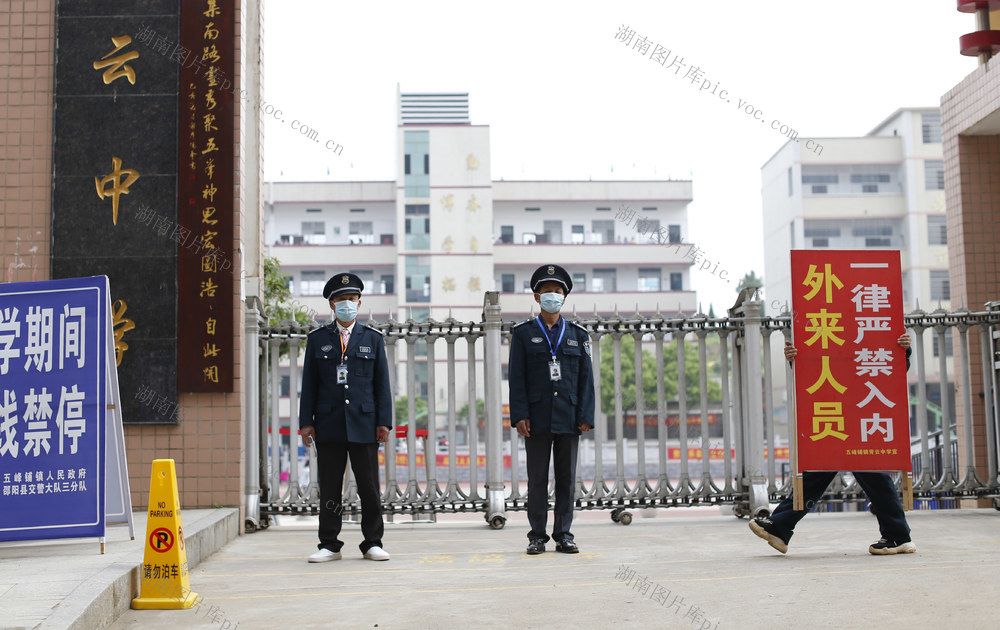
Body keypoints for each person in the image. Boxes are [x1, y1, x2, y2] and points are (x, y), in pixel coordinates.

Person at [749, 333, 916, 556]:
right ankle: (781, 525)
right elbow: (820, 369)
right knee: (821, 467)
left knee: (870, 472)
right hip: (835, 410)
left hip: (864, 412)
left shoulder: (866, 326)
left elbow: (888, 371)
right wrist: (796, 360)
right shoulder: (831, 325)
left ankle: (899, 535)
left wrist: (902, 350)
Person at [299, 272, 392, 562]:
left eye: (351, 299)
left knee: (369, 487)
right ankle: (328, 544)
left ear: (360, 302)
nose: (347, 304)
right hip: (328, 423)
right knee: (329, 487)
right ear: (331, 305)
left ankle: (373, 542)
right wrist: (306, 422)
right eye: (341, 300)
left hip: (364, 423)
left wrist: (384, 422)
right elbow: (309, 384)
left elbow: (382, 384)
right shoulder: (317, 340)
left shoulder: (373, 339)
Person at [508, 264, 595, 555]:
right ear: (536, 297)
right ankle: (537, 536)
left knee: (567, 479)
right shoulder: (522, 334)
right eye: (547, 292)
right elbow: (517, 377)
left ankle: (564, 535)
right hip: (536, 417)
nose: (552, 296)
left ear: (564, 298)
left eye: (557, 292)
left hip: (569, 418)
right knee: (537, 480)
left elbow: (586, 379)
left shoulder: (578, 334)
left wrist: (585, 416)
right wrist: (519, 415)